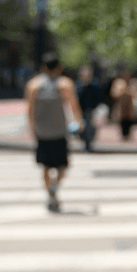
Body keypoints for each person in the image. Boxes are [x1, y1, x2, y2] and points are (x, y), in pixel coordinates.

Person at [24, 53, 84, 212]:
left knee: (45, 166)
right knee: (63, 165)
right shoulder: (64, 84)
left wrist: (31, 128)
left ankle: (50, 194)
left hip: (42, 131)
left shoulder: (33, 85)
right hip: (59, 131)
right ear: (59, 67)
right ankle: (55, 186)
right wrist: (79, 122)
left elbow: (29, 109)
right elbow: (73, 104)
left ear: (43, 67)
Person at [75, 65, 103, 152]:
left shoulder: (95, 85)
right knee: (80, 129)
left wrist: (95, 107)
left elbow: (98, 97)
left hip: (90, 110)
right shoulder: (78, 85)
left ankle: (88, 145)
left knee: (89, 128)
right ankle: (85, 142)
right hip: (79, 110)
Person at [109, 67, 137, 141]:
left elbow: (136, 94)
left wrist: (129, 92)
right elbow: (114, 94)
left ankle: (128, 136)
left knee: (130, 123)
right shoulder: (118, 82)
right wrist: (122, 92)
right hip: (121, 107)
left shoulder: (132, 82)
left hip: (130, 108)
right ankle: (123, 136)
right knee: (122, 123)